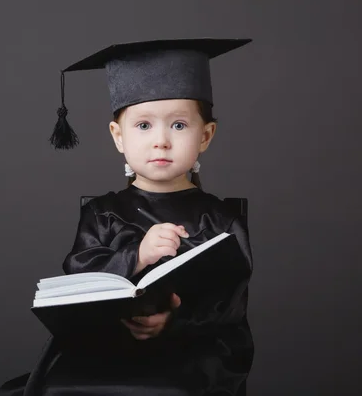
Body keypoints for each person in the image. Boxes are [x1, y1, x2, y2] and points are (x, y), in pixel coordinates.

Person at [23, 38, 255, 396]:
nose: (160, 140)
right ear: (118, 137)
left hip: (192, 352)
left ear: (205, 136)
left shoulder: (219, 219)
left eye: (178, 125)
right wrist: (136, 256)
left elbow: (231, 305)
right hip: (104, 347)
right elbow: (78, 276)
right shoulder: (101, 213)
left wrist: (174, 321)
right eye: (143, 126)